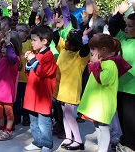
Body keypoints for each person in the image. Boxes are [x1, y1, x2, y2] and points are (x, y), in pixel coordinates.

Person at [77, 33, 131, 152]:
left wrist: (95, 64)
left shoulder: (111, 64)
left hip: (103, 103)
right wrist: (94, 63)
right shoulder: (102, 61)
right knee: (97, 126)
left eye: (93, 49)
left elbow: (102, 79)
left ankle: (103, 149)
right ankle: (101, 147)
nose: (91, 51)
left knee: (103, 127)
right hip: (97, 102)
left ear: (103, 49)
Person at [51, 13, 91, 150]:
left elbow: (85, 50)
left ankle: (78, 141)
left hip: (71, 91)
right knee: (64, 115)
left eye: (69, 41)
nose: (66, 41)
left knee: (69, 115)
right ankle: (69, 137)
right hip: (60, 89)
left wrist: (85, 38)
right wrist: (53, 27)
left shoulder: (80, 58)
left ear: (75, 45)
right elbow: (56, 38)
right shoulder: (63, 50)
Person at [23, 25, 57, 152]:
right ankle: (37, 142)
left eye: (34, 40)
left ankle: (47, 144)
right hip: (32, 94)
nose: (31, 43)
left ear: (44, 41)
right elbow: (29, 74)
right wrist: (28, 62)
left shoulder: (48, 56)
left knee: (44, 123)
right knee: (33, 122)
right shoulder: (36, 55)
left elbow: (42, 72)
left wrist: (32, 60)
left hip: (42, 95)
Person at [108, 1, 135, 150]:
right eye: (127, 24)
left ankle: (130, 145)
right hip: (121, 87)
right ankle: (125, 141)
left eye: (130, 26)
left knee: (132, 119)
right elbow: (113, 27)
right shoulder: (123, 38)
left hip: (133, 89)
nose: (126, 28)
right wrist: (119, 14)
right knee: (123, 118)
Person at [0, 31, 22, 141]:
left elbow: (11, 56)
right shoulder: (0, 57)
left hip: (7, 90)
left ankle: (8, 130)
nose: (2, 49)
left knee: (9, 111)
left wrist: (8, 45)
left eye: (5, 47)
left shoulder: (14, 60)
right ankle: (1, 127)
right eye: (2, 47)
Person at [14, 23, 32, 126]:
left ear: (26, 34)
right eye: (16, 30)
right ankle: (16, 117)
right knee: (16, 100)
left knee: (26, 99)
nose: (18, 33)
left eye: (21, 31)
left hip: (27, 78)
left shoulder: (30, 43)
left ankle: (26, 117)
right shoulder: (14, 44)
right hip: (16, 78)